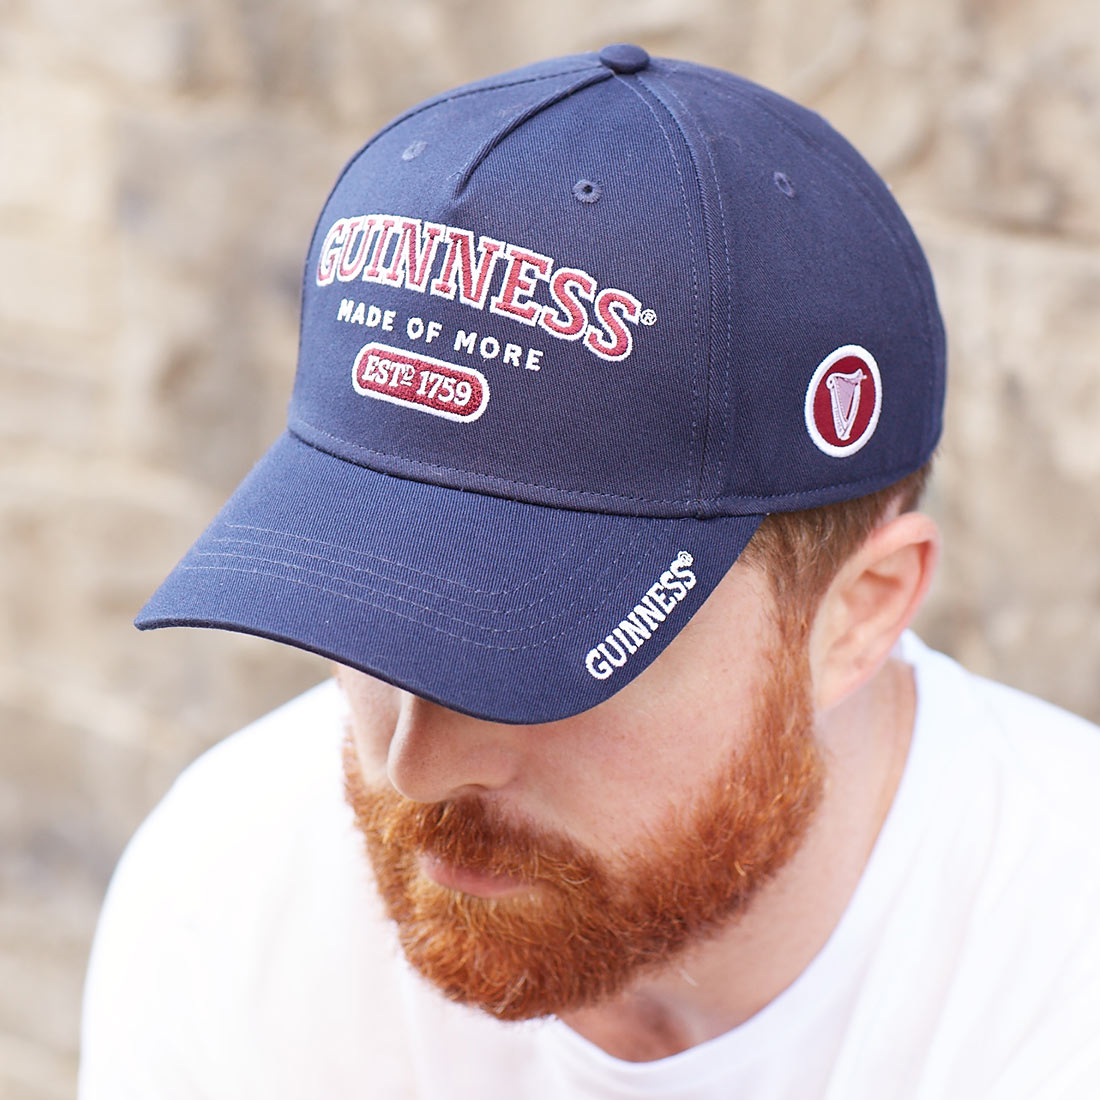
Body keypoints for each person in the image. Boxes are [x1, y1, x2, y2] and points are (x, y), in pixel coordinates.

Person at [80, 45, 1100, 1098]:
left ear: (855, 612)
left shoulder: (1058, 980)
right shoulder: (232, 885)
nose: (412, 765)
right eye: (371, 613)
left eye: (537, 653)